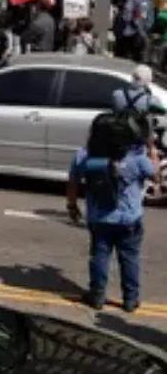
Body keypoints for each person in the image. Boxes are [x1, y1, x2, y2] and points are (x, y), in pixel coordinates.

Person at [67, 112, 157, 312]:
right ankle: (130, 299)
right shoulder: (136, 156)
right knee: (129, 258)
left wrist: (72, 206)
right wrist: (151, 149)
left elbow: (73, 182)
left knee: (99, 256)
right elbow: (155, 176)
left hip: (99, 217)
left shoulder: (84, 155)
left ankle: (97, 295)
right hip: (129, 219)